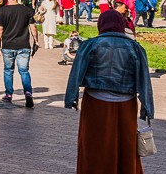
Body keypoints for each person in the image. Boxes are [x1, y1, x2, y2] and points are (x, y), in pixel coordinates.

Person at [65, 9, 154, 174]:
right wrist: (147, 107)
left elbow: (76, 73)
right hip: (126, 103)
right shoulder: (135, 47)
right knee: (125, 145)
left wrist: (71, 97)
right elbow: (144, 79)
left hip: (95, 102)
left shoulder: (89, 45)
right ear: (121, 24)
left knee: (94, 145)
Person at [0, 0, 38, 107]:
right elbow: (33, 27)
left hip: (8, 45)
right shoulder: (26, 10)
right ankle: (28, 93)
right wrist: (36, 41)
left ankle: (8, 94)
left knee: (8, 70)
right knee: (24, 71)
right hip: (24, 45)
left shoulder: (2, 11)